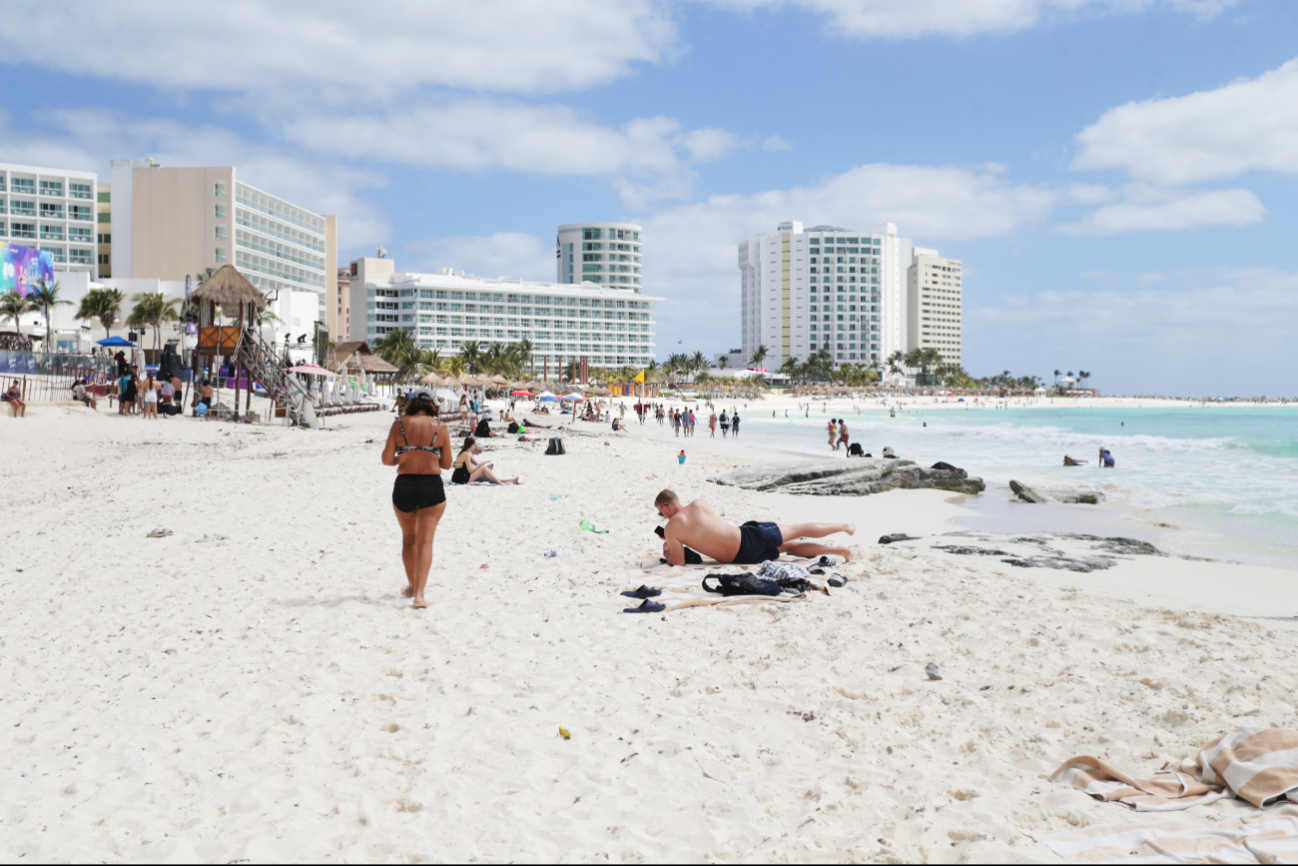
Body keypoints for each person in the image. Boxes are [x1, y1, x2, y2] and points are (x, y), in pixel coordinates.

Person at [381, 389, 453, 609]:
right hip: (431, 486)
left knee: (409, 539)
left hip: (405, 485)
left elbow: (386, 459)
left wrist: (404, 457)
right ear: (432, 405)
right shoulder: (440, 427)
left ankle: (412, 585)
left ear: (412, 404)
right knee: (425, 542)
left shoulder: (399, 424)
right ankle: (419, 595)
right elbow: (447, 464)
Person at [653, 489, 855, 565]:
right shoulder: (699, 503)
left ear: (666, 506)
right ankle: (844, 527)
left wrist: (667, 550)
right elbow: (716, 528)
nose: (663, 516)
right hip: (746, 537)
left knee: (789, 546)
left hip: (741, 558)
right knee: (798, 529)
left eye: (661, 512)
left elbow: (677, 562)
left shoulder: (672, 529)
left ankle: (840, 550)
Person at [451, 437, 518, 485]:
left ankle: (507, 480)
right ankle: (501, 483)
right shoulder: (466, 454)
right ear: (472, 446)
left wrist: (485, 468)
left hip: (457, 477)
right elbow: (470, 470)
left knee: (486, 474)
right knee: (483, 467)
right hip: (461, 479)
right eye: (474, 445)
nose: (474, 447)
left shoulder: (463, 453)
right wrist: (481, 465)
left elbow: (477, 464)